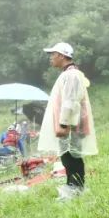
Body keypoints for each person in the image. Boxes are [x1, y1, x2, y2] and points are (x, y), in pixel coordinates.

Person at [39, 42, 98, 197]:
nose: (51, 58)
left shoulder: (71, 75)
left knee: (71, 156)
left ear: (61, 55)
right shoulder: (69, 74)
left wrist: (63, 123)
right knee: (68, 156)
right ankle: (74, 186)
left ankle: (76, 187)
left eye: (53, 55)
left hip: (71, 125)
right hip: (70, 124)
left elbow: (70, 101)